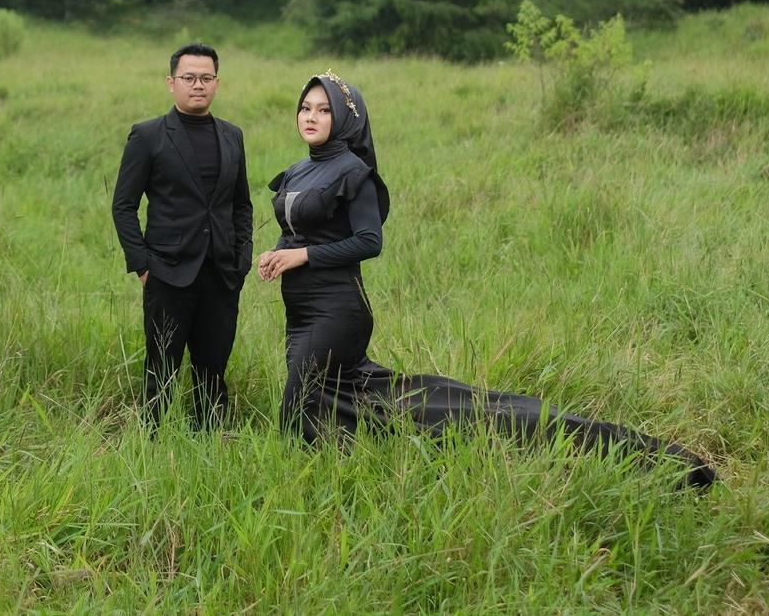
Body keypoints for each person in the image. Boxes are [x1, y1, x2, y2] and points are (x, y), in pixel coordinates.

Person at [257, 70, 716, 490]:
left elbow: (368, 242)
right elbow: (302, 227)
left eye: (323, 109)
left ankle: (641, 460)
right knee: (353, 405)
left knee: (298, 409)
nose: (311, 116)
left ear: (343, 120)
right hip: (300, 313)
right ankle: (358, 473)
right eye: (305, 107)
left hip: (337, 310)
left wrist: (303, 255)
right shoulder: (300, 169)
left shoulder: (354, 173)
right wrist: (279, 251)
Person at [113, 43, 253, 429]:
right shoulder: (148, 136)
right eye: (189, 78)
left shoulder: (232, 136)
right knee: (161, 369)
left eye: (206, 78)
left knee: (213, 370)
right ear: (171, 83)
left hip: (221, 273)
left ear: (217, 83)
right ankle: (154, 444)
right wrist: (142, 265)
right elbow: (123, 206)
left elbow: (241, 204)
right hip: (167, 273)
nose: (198, 85)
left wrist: (242, 260)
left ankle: (209, 441)